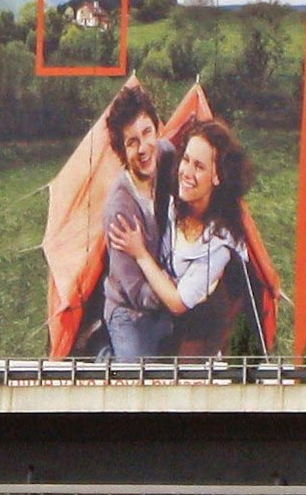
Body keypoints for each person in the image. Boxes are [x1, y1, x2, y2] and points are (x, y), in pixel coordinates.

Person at [108, 118, 277, 359]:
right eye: (186, 160)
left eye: (199, 166)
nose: (186, 172)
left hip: (198, 323)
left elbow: (178, 303)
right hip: (159, 311)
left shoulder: (219, 242)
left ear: (217, 176)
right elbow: (155, 153)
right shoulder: (176, 200)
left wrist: (141, 254)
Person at [42, 80, 169, 360]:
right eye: (132, 142)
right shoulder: (119, 208)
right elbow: (135, 290)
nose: (144, 148)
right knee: (134, 383)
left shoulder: (169, 158)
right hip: (131, 310)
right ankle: (100, 346)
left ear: (157, 129)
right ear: (122, 151)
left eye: (147, 133)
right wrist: (175, 295)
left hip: (166, 296)